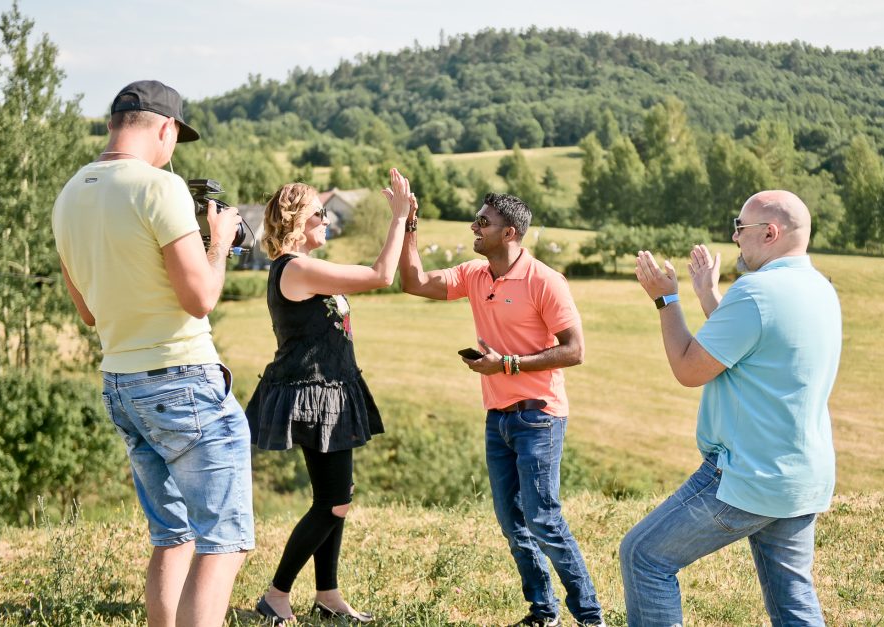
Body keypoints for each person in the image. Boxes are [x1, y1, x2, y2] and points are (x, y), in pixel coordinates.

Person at [52, 80, 252, 627]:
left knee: (174, 535)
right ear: (165, 129)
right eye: (174, 139)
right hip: (182, 377)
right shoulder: (159, 189)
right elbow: (200, 297)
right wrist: (219, 239)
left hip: (120, 380)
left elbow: (89, 313)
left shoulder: (68, 195)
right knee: (223, 541)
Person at [622, 190, 842, 626]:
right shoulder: (820, 289)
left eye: (740, 228)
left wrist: (666, 300)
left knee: (644, 556)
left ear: (770, 232)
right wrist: (708, 293)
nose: (735, 238)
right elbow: (746, 344)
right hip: (800, 476)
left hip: (747, 476)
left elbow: (690, 369)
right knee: (792, 597)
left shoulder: (757, 291)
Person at [399, 193, 605, 627]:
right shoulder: (475, 275)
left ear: (508, 233)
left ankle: (590, 617)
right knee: (513, 524)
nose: (474, 227)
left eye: (482, 221)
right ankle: (543, 612)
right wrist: (408, 223)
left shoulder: (545, 281)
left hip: (539, 416)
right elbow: (414, 282)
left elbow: (575, 351)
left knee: (543, 520)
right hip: (498, 418)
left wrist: (506, 364)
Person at [245, 169, 412, 624]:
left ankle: (328, 595)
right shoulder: (295, 267)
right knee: (334, 501)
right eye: (321, 213)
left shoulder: (303, 268)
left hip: (331, 390)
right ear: (297, 220)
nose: (328, 220)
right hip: (313, 395)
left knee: (334, 497)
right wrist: (398, 217)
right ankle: (276, 596)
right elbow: (381, 275)